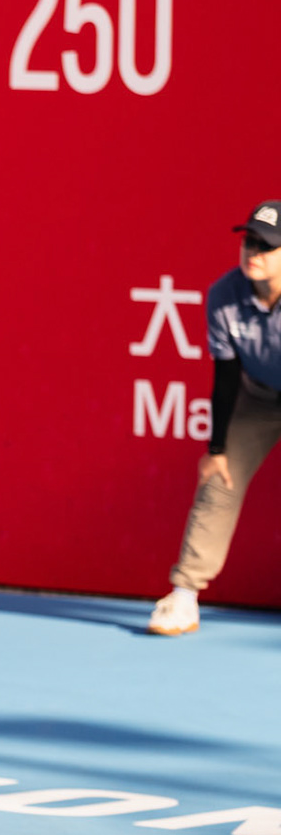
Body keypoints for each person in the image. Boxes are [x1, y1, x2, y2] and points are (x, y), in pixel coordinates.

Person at [149, 200, 281, 636]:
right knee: (219, 480)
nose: (254, 252)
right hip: (258, 396)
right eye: (250, 241)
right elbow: (225, 377)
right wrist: (218, 449)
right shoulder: (224, 295)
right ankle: (184, 596)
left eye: (268, 245)